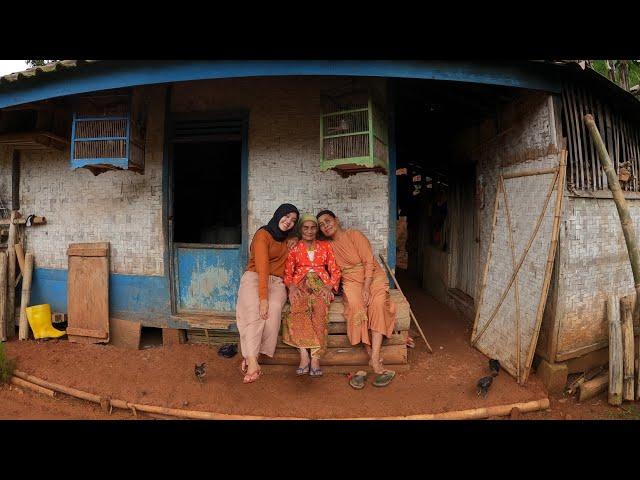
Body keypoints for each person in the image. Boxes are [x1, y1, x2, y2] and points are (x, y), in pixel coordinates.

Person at [316, 210, 397, 388]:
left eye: (328, 221)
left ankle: (375, 358)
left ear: (336, 220)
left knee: (376, 304)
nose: (325, 226)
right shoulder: (327, 246)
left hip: (372, 276)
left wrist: (367, 287)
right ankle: (372, 357)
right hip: (350, 280)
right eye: (321, 225)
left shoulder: (354, 235)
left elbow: (368, 261)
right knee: (356, 308)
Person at [236, 203, 299, 383]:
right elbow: (262, 268)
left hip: (277, 282)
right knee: (257, 310)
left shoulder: (288, 239)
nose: (288, 222)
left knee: (275, 309)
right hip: (255, 277)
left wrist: (296, 240)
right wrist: (263, 298)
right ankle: (253, 361)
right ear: (277, 215)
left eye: (293, 220)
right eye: (286, 217)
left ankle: (249, 356)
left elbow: (309, 237)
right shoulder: (262, 235)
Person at [282, 214, 341, 377]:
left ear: (317, 229)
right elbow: (287, 273)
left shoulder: (325, 246)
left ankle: (315, 358)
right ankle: (304, 357)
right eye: (305, 227)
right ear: (300, 229)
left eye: (313, 227)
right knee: (297, 310)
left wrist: (329, 286)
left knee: (320, 311)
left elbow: (335, 270)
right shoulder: (294, 247)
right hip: (299, 283)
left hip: (320, 283)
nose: (309, 231)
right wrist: (291, 287)